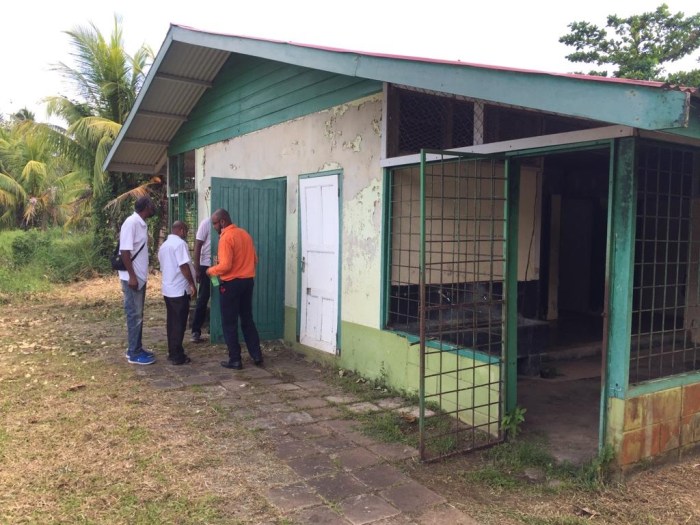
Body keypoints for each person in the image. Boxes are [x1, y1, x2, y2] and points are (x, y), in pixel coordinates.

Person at [206, 208, 263, 369]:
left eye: (215, 223)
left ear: (222, 221)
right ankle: (256, 355)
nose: (214, 227)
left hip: (231, 285)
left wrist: (210, 270)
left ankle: (235, 359)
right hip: (247, 282)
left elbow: (225, 265)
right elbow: (255, 259)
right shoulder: (245, 234)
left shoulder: (226, 238)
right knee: (247, 319)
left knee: (229, 322)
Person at [119, 195, 156, 365]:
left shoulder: (141, 223)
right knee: (134, 315)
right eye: (151, 205)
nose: (153, 208)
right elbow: (125, 251)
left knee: (138, 315)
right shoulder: (131, 223)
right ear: (146, 207)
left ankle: (136, 347)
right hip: (132, 278)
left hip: (139, 277)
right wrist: (132, 276)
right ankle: (134, 353)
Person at [158, 221, 198, 365]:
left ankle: (173, 351)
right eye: (186, 230)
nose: (186, 234)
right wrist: (191, 283)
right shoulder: (180, 244)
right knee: (179, 323)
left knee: (171, 322)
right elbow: (183, 265)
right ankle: (176, 355)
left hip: (168, 289)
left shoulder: (164, 246)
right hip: (179, 290)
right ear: (181, 230)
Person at [190, 216, 212, 343]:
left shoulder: (225, 222)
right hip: (206, 267)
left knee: (221, 299)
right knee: (203, 298)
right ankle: (196, 331)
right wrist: (197, 269)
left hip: (220, 268)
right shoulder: (206, 223)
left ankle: (213, 328)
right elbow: (198, 245)